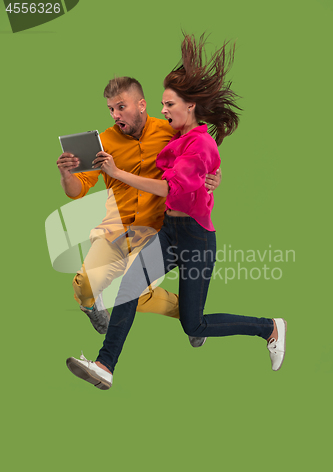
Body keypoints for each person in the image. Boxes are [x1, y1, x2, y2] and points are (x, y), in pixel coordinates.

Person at [66, 34, 287, 390]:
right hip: (169, 230)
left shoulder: (200, 142)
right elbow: (189, 175)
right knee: (129, 288)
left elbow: (172, 187)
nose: (163, 110)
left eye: (169, 104)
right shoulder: (179, 138)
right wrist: (209, 179)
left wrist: (118, 173)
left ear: (191, 107)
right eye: (163, 104)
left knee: (193, 324)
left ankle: (269, 327)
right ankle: (105, 364)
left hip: (196, 238)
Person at [57, 76, 221, 347]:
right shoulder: (104, 142)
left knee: (137, 297)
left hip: (155, 231)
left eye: (121, 107)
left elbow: (201, 151)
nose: (115, 114)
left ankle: (190, 316)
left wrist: (216, 175)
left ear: (142, 105)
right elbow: (77, 189)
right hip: (116, 229)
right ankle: (92, 305)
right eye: (111, 109)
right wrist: (66, 174)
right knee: (82, 287)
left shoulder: (169, 131)